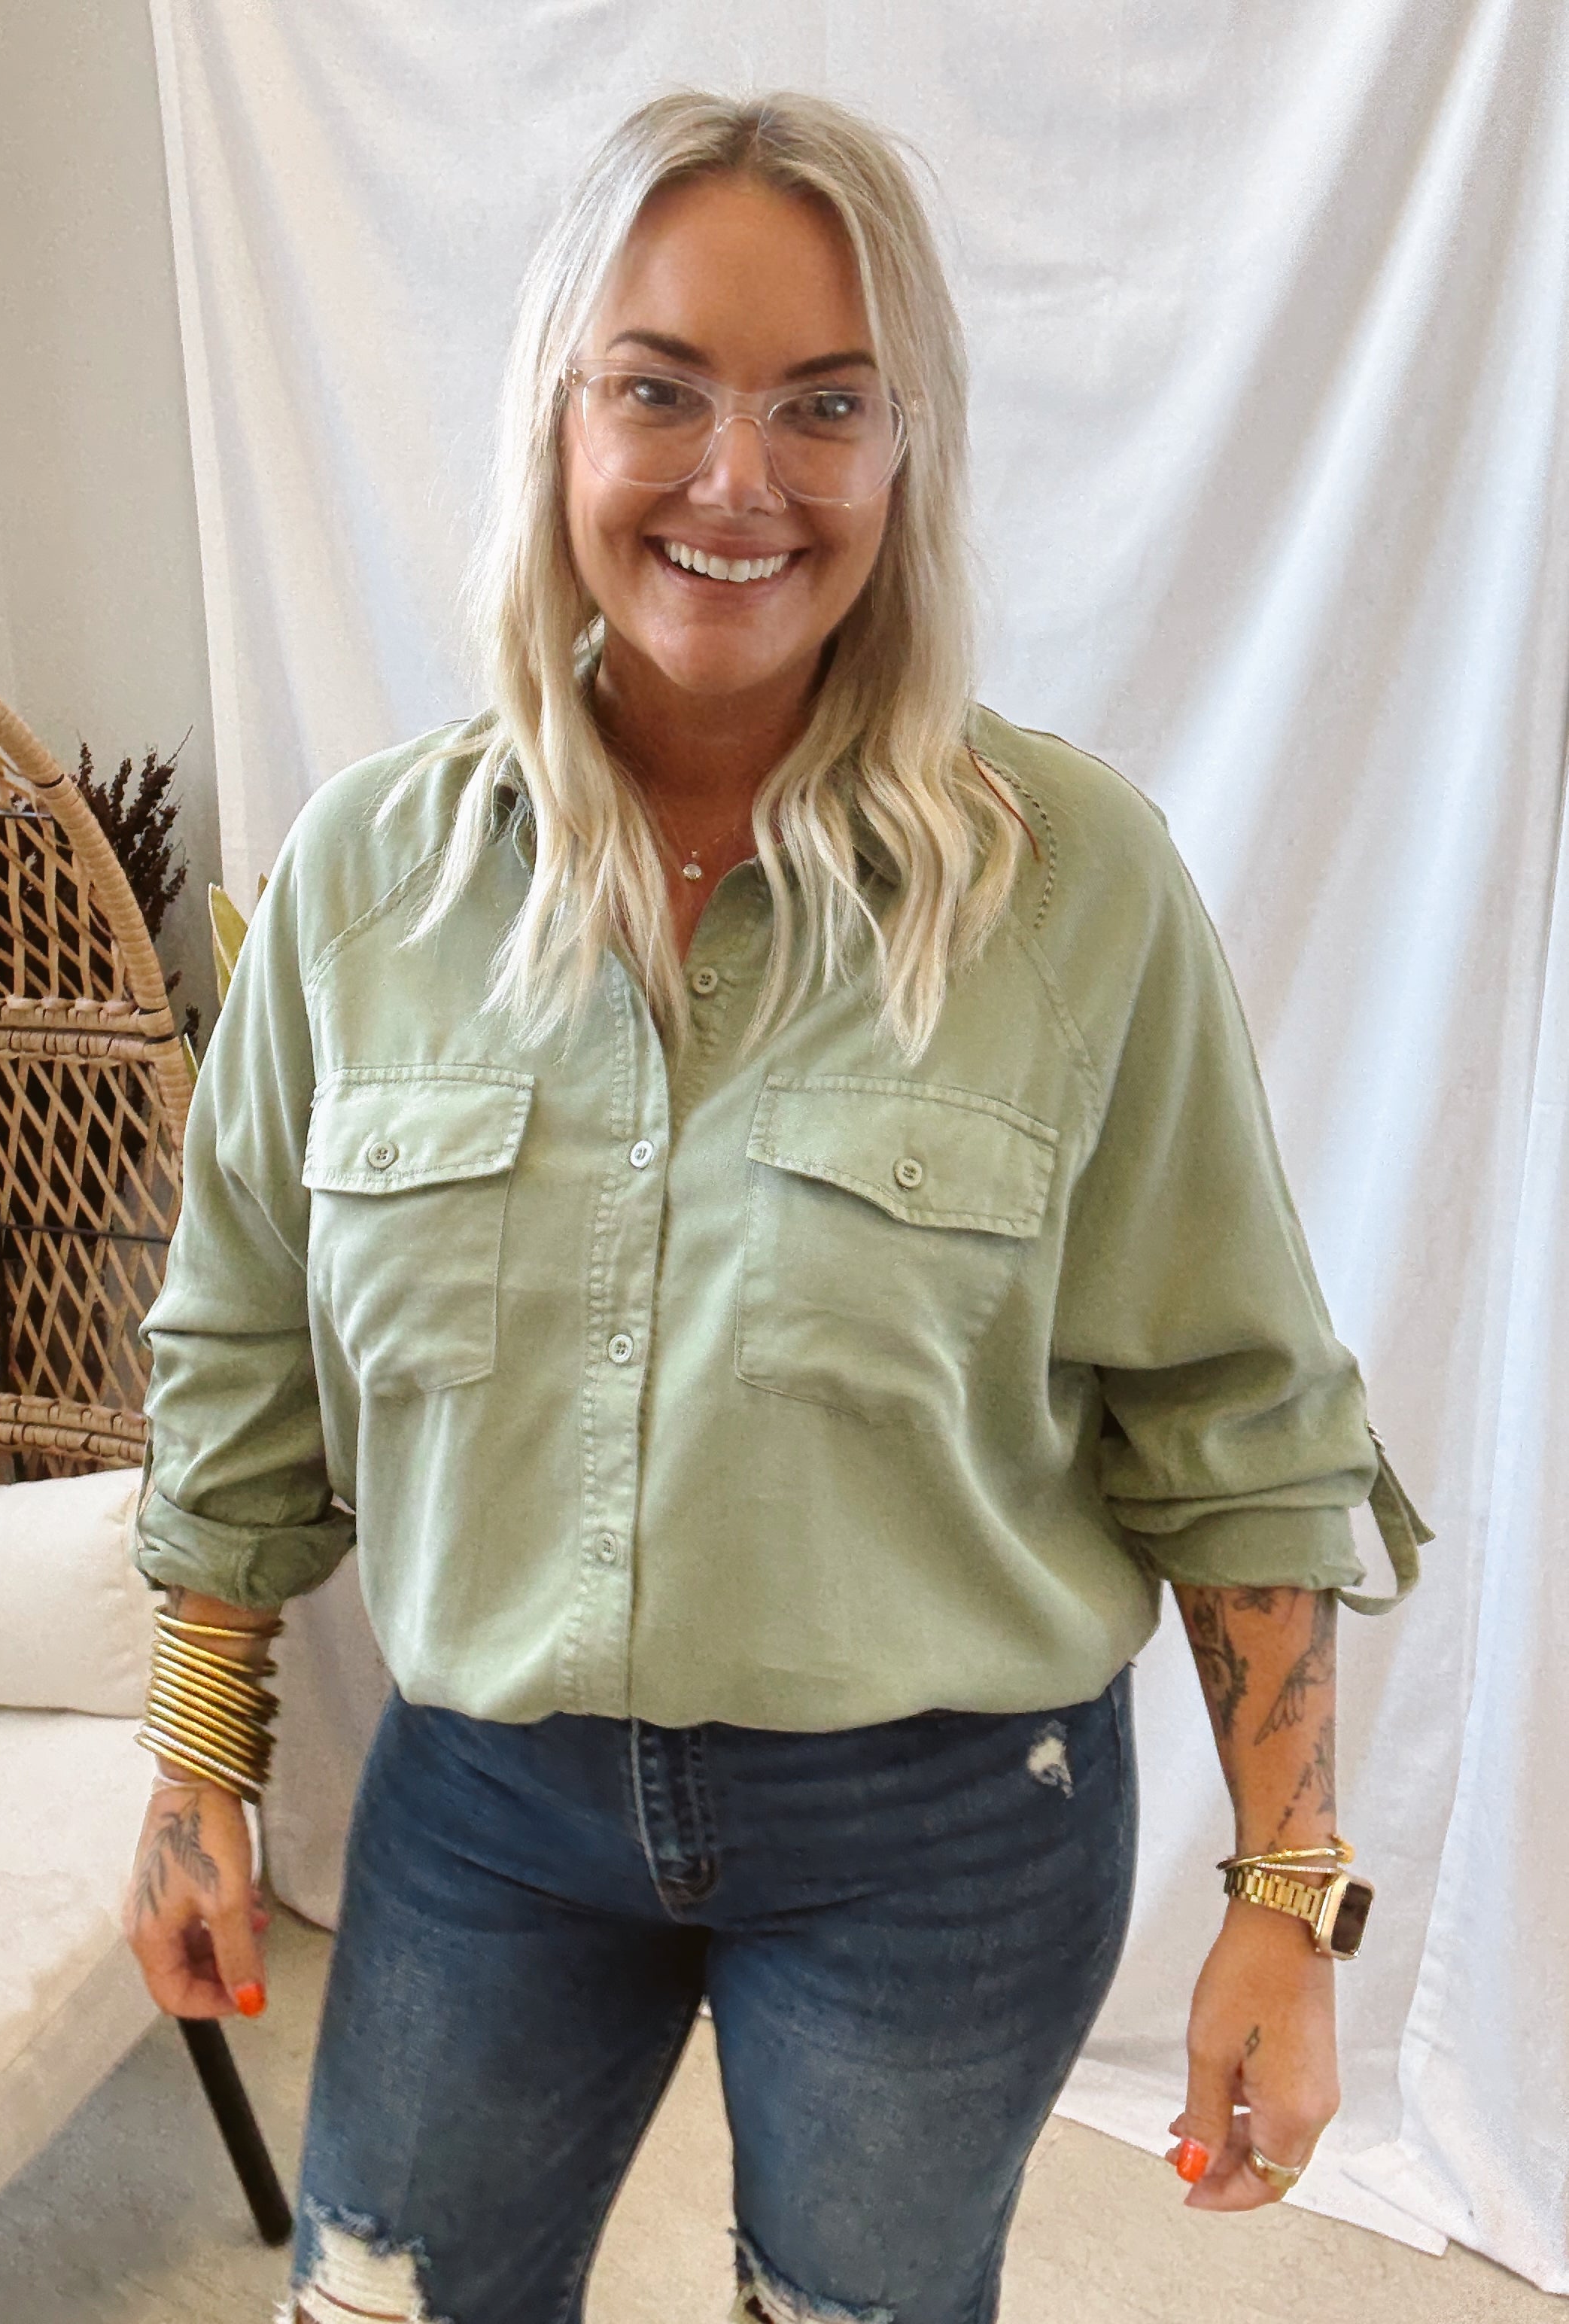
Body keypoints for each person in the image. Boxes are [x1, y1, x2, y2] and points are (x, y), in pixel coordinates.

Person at [123, 88, 1425, 2324]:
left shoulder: (1070, 887)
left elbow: (1234, 1414)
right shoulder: (366, 881)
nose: (738, 480)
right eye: (660, 389)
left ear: (905, 457)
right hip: (488, 1807)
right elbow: (240, 1351)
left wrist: (1285, 1898)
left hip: (945, 1837)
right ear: (558, 418)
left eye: (824, 404)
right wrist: (196, 1761)